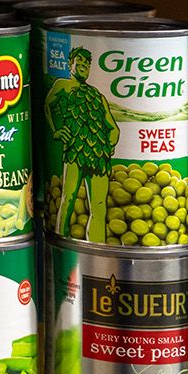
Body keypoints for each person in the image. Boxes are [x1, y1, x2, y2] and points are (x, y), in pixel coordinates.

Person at [46, 46, 116, 239]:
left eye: (87, 63)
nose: (84, 66)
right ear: (71, 65)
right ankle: (61, 237)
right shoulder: (63, 85)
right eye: (80, 62)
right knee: (68, 198)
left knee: (99, 207)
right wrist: (56, 131)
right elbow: (48, 105)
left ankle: (99, 248)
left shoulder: (97, 95)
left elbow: (113, 127)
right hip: (75, 150)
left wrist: (108, 146)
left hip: (98, 154)